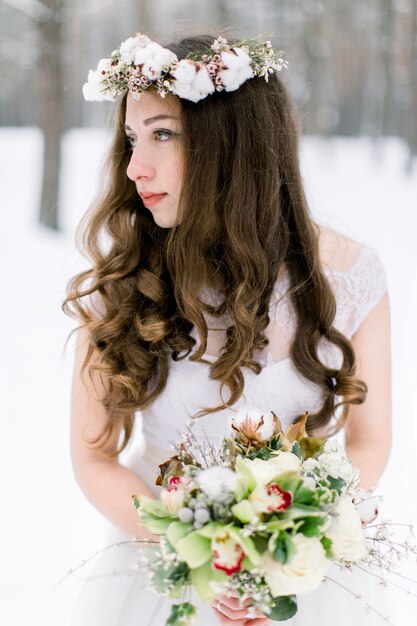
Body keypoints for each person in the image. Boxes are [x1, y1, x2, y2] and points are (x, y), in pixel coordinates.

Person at [63, 31, 391, 626]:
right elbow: (93, 457)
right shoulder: (122, 283)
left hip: (302, 581)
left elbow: (369, 441)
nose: (136, 167)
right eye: (133, 139)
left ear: (233, 145)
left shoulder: (352, 277)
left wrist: (293, 538)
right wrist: (199, 554)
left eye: (163, 133)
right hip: (159, 572)